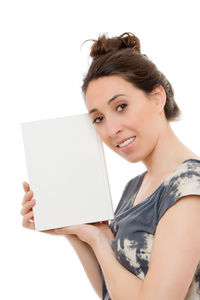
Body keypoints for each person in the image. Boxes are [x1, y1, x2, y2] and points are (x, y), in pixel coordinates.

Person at [21, 32, 200, 300]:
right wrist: (75, 231)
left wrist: (98, 241)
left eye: (121, 106)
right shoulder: (134, 188)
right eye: (99, 118)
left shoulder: (189, 188)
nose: (112, 129)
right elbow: (111, 291)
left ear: (157, 98)